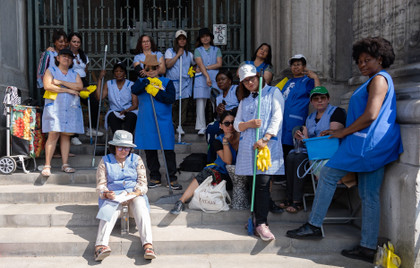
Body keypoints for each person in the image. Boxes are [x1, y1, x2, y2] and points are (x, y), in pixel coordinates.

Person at [286, 37, 403, 264]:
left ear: (380, 59)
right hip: (376, 145)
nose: (361, 65)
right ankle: (368, 247)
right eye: (359, 61)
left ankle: (313, 224)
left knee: (328, 175)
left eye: (367, 60)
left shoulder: (378, 80)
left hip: (365, 144)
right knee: (369, 195)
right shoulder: (378, 79)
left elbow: (371, 115)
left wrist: (343, 132)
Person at [234, 64, 285, 241]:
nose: (249, 82)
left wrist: (265, 138)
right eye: (245, 81)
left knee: (262, 183)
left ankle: (262, 223)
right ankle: (256, 219)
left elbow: (278, 117)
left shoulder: (273, 93)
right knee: (252, 183)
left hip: (266, 146)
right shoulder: (244, 100)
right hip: (249, 147)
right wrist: (249, 124)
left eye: (252, 78)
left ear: (259, 76)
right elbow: (236, 124)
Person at [281, 86, 346, 213]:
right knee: (291, 156)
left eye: (322, 98)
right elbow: (307, 140)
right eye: (316, 99)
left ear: (328, 99)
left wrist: (314, 139)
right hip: (313, 151)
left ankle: (297, 201)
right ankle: (289, 197)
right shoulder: (310, 118)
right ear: (312, 102)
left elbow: (333, 135)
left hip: (329, 153)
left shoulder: (337, 112)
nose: (319, 101)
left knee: (299, 158)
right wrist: (301, 137)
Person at [94, 130, 156, 261]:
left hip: (133, 196)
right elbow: (101, 185)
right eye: (120, 147)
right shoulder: (105, 161)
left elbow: (143, 183)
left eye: (127, 147)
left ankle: (148, 245)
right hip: (114, 197)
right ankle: (100, 246)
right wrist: (106, 193)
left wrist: (136, 193)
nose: (124, 150)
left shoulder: (136, 159)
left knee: (140, 204)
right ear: (114, 147)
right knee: (109, 207)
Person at [170, 110, 239, 214]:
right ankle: (180, 201)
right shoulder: (218, 141)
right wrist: (225, 141)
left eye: (233, 123)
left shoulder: (243, 139)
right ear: (221, 126)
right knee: (207, 172)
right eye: (226, 123)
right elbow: (228, 161)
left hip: (240, 175)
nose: (230, 126)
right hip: (225, 175)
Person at [131, 54, 182, 190]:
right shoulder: (141, 82)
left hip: (163, 120)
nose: (151, 71)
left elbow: (170, 98)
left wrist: (155, 92)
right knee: (150, 150)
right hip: (147, 121)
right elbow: (134, 90)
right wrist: (146, 82)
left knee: (168, 149)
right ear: (145, 70)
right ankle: (155, 176)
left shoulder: (167, 82)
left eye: (154, 68)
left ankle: (172, 178)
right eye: (148, 69)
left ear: (158, 68)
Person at [276, 54, 320, 184]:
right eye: (293, 64)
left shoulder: (307, 81)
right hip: (283, 119)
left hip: (296, 118)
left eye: (298, 64)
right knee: (282, 144)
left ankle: (289, 179)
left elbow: (317, 93)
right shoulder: (287, 81)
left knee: (291, 145)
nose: (295, 67)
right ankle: (281, 176)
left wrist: (316, 77)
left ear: (304, 66)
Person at [40, 48, 84, 177]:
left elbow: (79, 87)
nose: (67, 59)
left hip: (70, 107)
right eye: (64, 56)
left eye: (69, 57)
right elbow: (47, 86)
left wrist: (60, 83)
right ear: (58, 58)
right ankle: (47, 165)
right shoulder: (51, 70)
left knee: (66, 135)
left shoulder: (74, 73)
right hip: (54, 106)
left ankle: (65, 164)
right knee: (53, 134)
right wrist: (68, 90)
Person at [68, 32, 103, 146]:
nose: (76, 44)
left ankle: (90, 128)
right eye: (74, 41)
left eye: (78, 42)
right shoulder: (66, 55)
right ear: (69, 42)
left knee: (94, 101)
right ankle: (74, 136)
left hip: (83, 81)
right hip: (71, 82)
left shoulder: (83, 56)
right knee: (74, 107)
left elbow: (85, 69)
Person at [165, 29, 195, 135]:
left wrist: (192, 71)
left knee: (183, 106)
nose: (182, 41)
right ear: (176, 41)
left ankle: (180, 125)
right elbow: (168, 65)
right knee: (173, 106)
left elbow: (195, 65)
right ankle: (172, 125)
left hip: (185, 84)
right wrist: (177, 55)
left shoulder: (189, 55)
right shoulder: (170, 52)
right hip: (173, 83)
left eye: (184, 39)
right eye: (180, 39)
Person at [193, 27, 223, 135]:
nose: (205, 39)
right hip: (201, 78)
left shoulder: (217, 50)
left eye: (207, 36)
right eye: (203, 37)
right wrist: (207, 76)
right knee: (201, 102)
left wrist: (206, 68)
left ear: (210, 37)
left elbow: (219, 64)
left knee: (216, 100)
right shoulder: (197, 51)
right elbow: (199, 64)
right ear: (200, 39)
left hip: (215, 78)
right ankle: (201, 126)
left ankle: (218, 122)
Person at [206, 70, 239, 163]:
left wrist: (229, 112)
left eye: (223, 79)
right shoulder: (218, 97)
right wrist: (219, 111)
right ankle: (212, 159)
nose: (220, 82)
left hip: (235, 120)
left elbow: (242, 106)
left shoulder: (236, 90)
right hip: (224, 122)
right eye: (218, 80)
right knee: (211, 128)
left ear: (230, 80)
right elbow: (217, 115)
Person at [96, 62, 138, 135]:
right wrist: (100, 79)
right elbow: (99, 97)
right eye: (116, 71)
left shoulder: (131, 84)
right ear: (114, 73)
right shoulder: (109, 84)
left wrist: (126, 110)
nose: (118, 73)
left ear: (125, 73)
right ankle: (118, 142)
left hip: (128, 110)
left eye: (121, 71)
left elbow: (135, 105)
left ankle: (126, 141)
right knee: (112, 117)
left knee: (131, 117)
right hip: (114, 111)